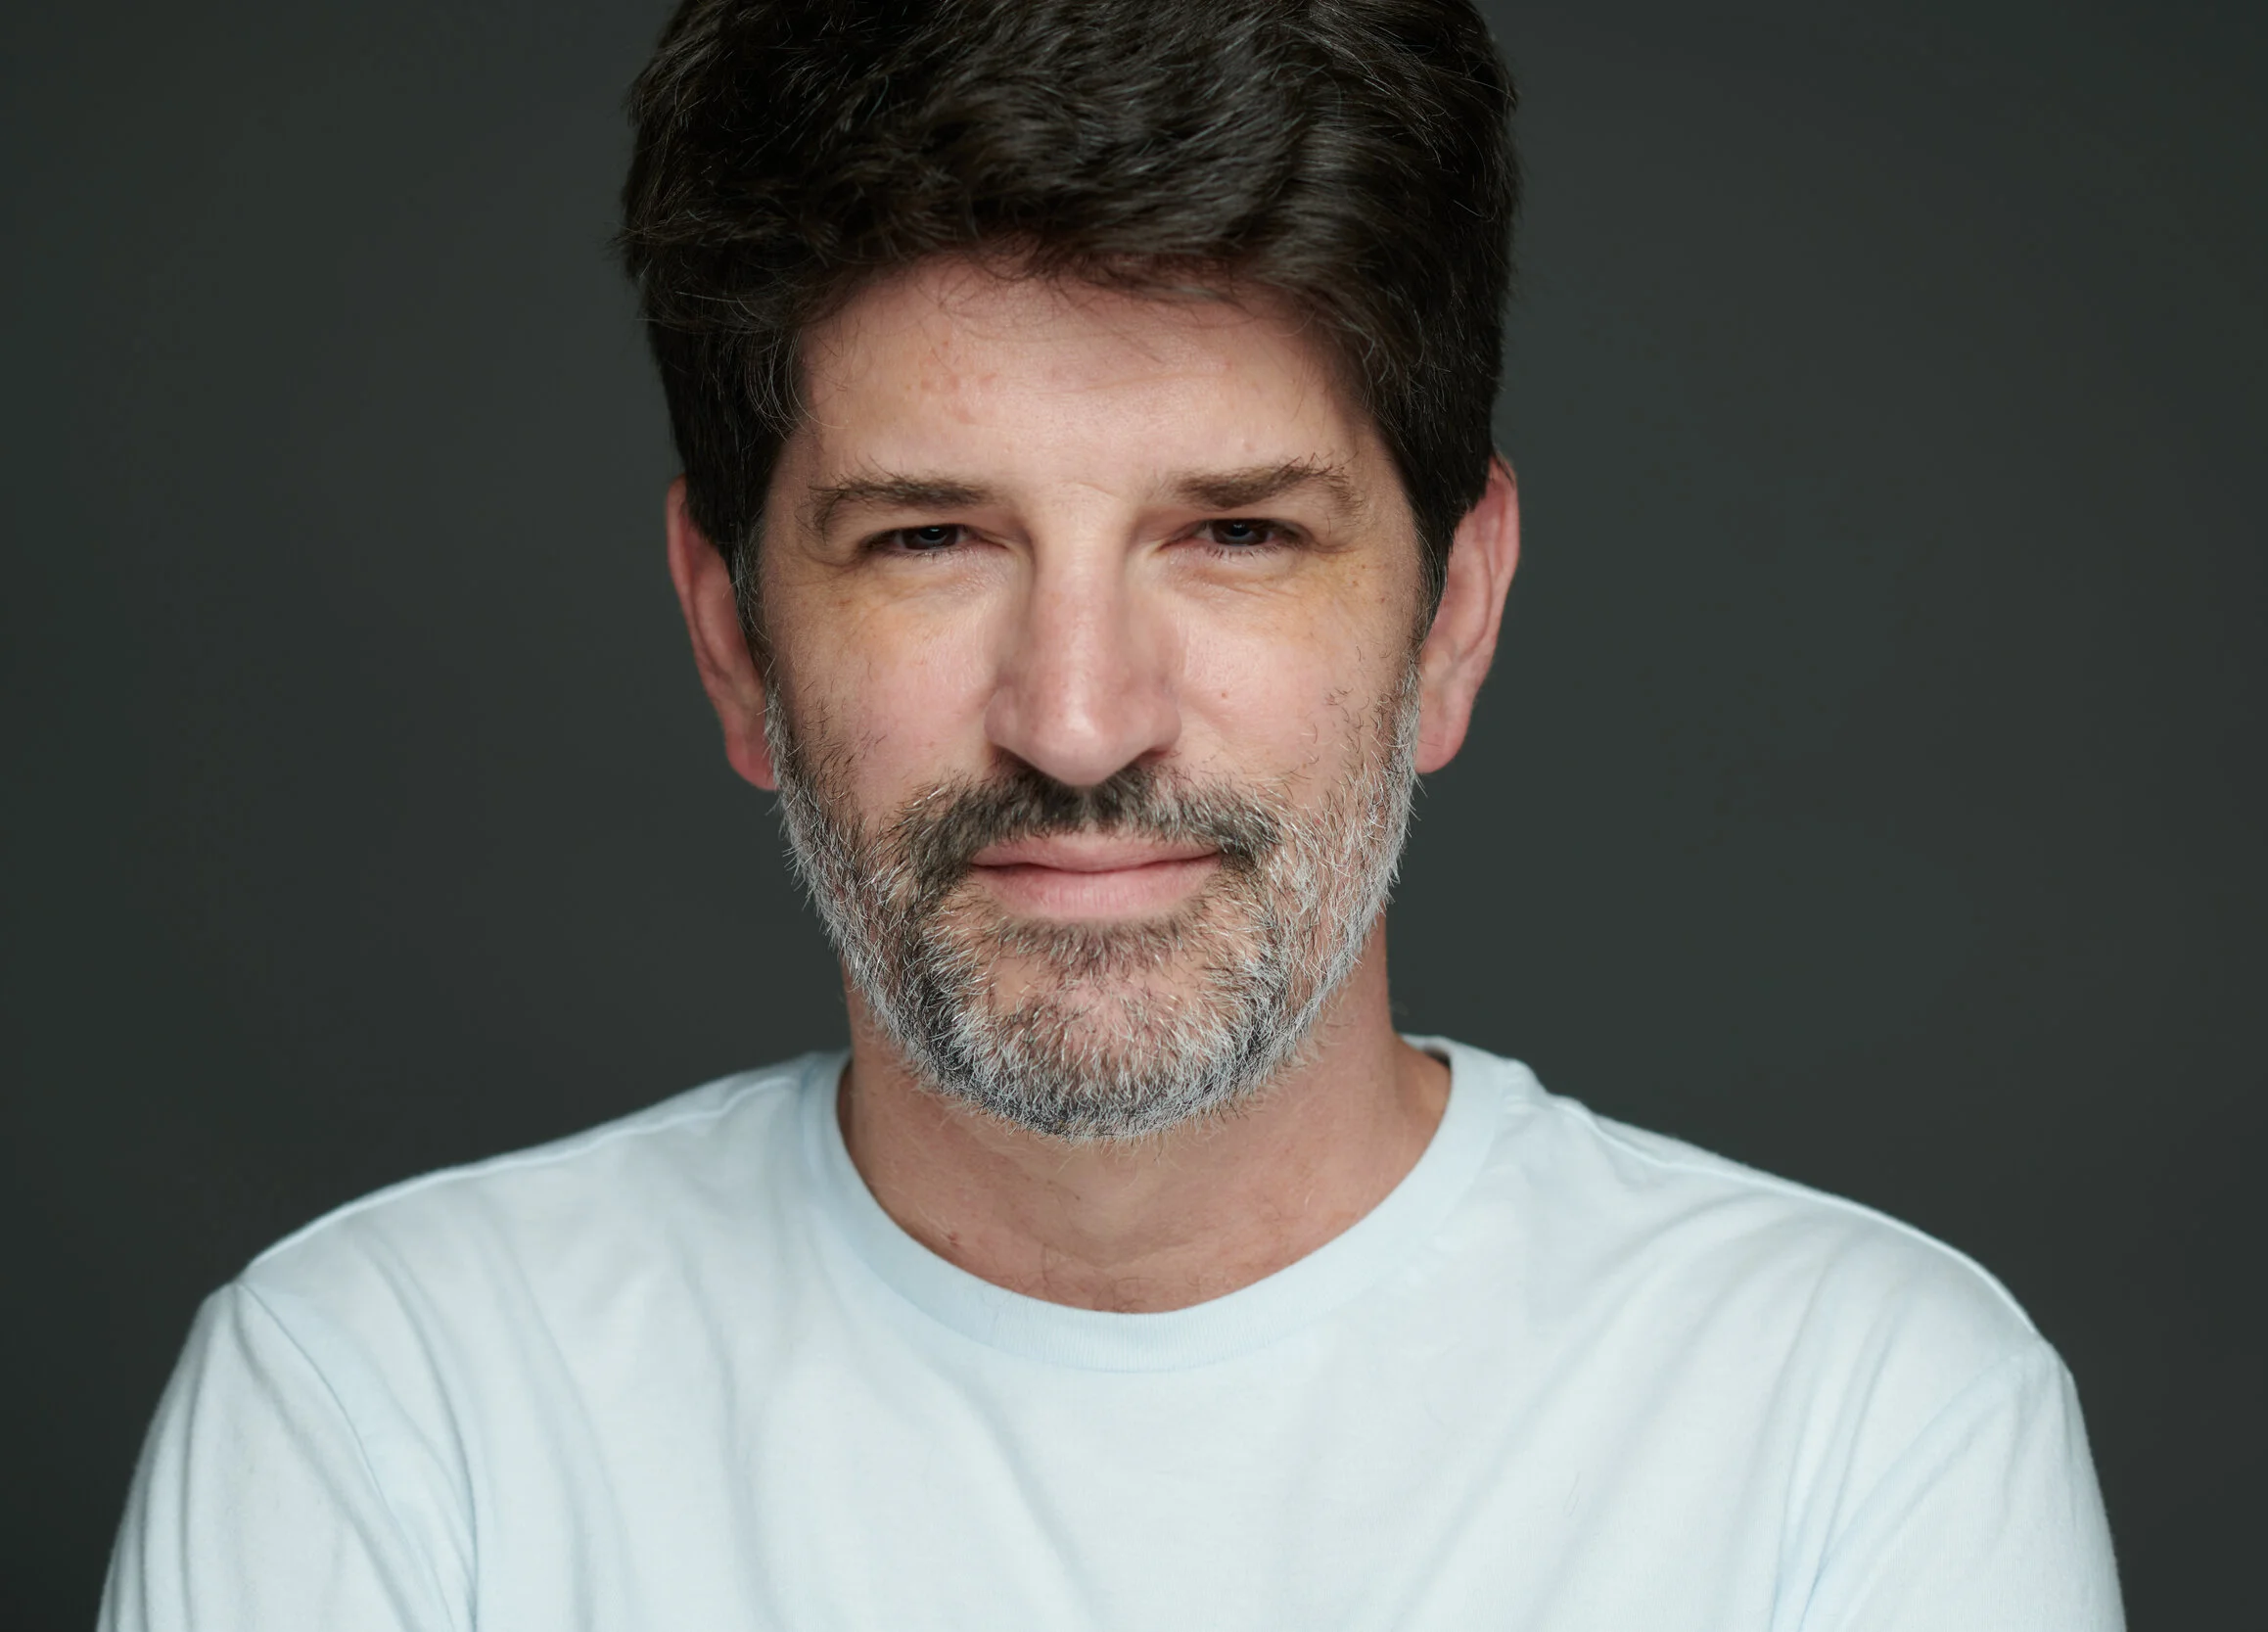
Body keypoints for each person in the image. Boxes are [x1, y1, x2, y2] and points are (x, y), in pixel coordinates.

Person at [101, 1, 2121, 1627]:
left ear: (1454, 611)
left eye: (1233, 531)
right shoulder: (393, 1405)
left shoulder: (1851, 1419)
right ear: (729, 633)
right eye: (926, 538)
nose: (1075, 719)